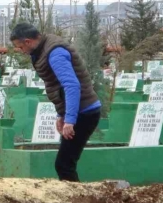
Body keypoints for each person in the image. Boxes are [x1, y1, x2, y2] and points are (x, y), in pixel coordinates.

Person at [10, 23, 101, 182]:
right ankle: (75, 201)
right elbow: (57, 85)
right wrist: (62, 114)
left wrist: (70, 120)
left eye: (20, 47)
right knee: (66, 162)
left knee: (64, 164)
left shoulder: (55, 53)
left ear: (28, 41)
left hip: (84, 112)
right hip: (79, 110)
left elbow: (71, 85)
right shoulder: (44, 49)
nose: (21, 51)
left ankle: (77, 202)